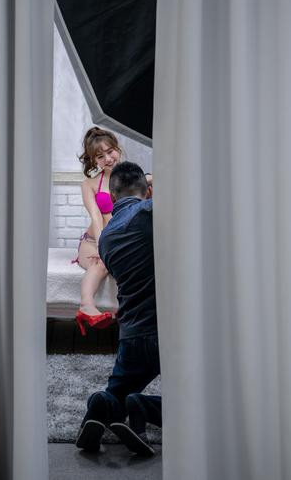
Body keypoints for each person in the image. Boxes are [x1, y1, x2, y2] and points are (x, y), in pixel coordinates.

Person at [75, 161, 162, 457]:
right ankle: (143, 407)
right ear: (147, 190)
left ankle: (101, 406)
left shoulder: (107, 238)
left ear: (112, 198)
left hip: (132, 332)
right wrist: (153, 180)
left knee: (117, 390)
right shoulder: (150, 213)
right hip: (167, 331)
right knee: (208, 398)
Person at [72, 126, 123, 335]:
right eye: (100, 156)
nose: (108, 159)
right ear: (94, 161)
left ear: (117, 149)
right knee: (100, 264)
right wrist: (104, 249)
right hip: (93, 242)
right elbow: (96, 218)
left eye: (110, 151)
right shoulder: (90, 184)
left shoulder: (133, 178)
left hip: (120, 243)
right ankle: (86, 306)